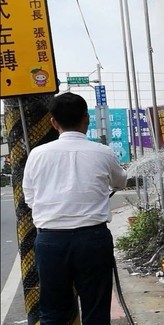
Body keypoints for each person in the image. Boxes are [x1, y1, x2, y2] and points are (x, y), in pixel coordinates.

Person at [23, 92, 127, 324]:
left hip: (50, 242)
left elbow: (30, 198)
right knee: (96, 312)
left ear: (53, 122)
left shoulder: (36, 155)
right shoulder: (103, 153)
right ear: (86, 118)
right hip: (93, 240)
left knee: (53, 313)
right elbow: (120, 182)